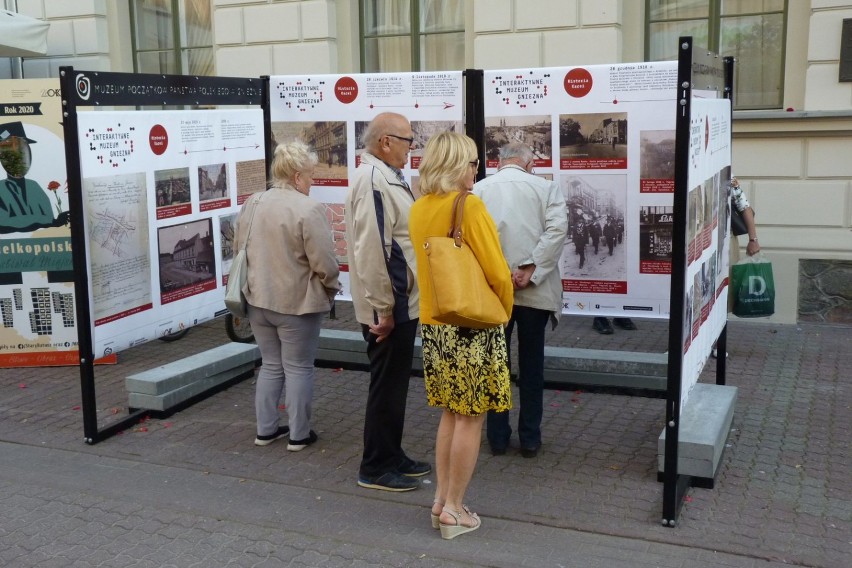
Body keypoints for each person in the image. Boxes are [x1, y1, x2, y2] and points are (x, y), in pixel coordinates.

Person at [409, 132, 513, 539]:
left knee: (451, 414)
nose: (477, 169)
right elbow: (498, 271)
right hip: (472, 323)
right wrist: (502, 313)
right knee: (471, 418)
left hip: (435, 323)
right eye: (471, 162)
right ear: (456, 165)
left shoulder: (420, 208)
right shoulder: (468, 206)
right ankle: (454, 509)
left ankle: (441, 500)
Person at [235, 141, 340, 451]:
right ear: (296, 176)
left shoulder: (253, 202)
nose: (312, 181)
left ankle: (265, 431)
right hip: (297, 304)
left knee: (270, 365)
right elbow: (324, 262)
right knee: (298, 367)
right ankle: (298, 434)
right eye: (309, 175)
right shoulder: (308, 208)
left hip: (257, 300)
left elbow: (241, 247)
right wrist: (330, 288)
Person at [345, 112, 431, 492]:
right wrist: (383, 307)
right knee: (385, 385)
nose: (412, 147)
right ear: (385, 142)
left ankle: (391, 454)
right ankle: (376, 466)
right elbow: (372, 249)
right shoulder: (373, 180)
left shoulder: (386, 176)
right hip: (389, 306)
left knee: (395, 384)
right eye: (408, 140)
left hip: (400, 300)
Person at [473, 142, 567, 459]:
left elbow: (472, 240)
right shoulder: (547, 189)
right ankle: (530, 438)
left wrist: (500, 274)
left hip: (494, 293)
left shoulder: (479, 190)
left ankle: (497, 439)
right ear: (528, 164)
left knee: (496, 365)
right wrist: (530, 268)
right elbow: (557, 231)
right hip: (535, 292)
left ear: (500, 163)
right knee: (532, 367)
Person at [714, 176, 760, 358]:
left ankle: (718, 342)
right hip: (695, 242)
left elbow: (744, 206)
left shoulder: (727, 177)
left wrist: (753, 239)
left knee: (724, 291)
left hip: (725, 241)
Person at [0, 121, 69, 234]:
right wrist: (51, 224)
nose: (19, 158)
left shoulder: (34, 186)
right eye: (10, 153)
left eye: (23, 150)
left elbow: (48, 219)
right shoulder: (1, 190)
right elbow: (4, 227)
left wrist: (56, 222)